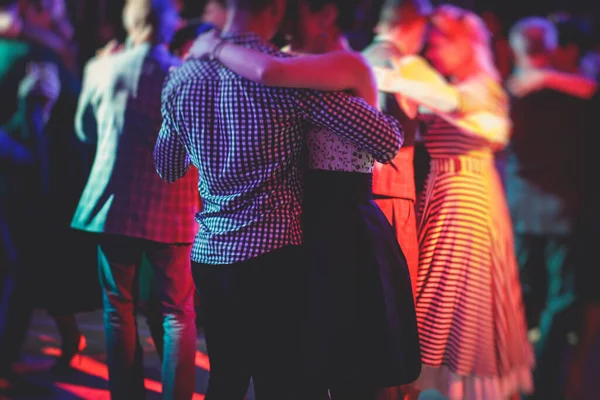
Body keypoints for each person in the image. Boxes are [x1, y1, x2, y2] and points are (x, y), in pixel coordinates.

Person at [155, 0, 404, 397]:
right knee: (283, 381)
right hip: (272, 252)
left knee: (225, 377)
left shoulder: (181, 78)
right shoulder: (284, 80)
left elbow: (167, 167)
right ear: (273, 9)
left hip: (210, 252)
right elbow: (385, 138)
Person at [374, 4, 534, 399]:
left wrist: (380, 72)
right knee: (438, 295)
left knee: (461, 298)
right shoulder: (453, 83)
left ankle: (458, 387)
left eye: (443, 39)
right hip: (444, 193)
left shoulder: (479, 83)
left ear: (467, 43)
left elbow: (450, 102)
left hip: (468, 201)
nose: (434, 48)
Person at [71, 0, 200, 398]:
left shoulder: (102, 67)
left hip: (113, 203)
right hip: (172, 206)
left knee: (118, 309)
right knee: (177, 313)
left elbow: (83, 131)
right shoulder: (185, 75)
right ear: (166, 25)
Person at [506, 18, 597, 399]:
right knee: (561, 299)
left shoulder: (506, 91)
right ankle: (544, 380)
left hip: (522, 208)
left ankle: (522, 374)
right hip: (565, 210)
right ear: (554, 46)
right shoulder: (578, 93)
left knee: (527, 294)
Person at [362, 0, 433, 299]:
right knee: (397, 293)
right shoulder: (405, 66)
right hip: (393, 192)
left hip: (360, 192)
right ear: (415, 27)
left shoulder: (362, 57)